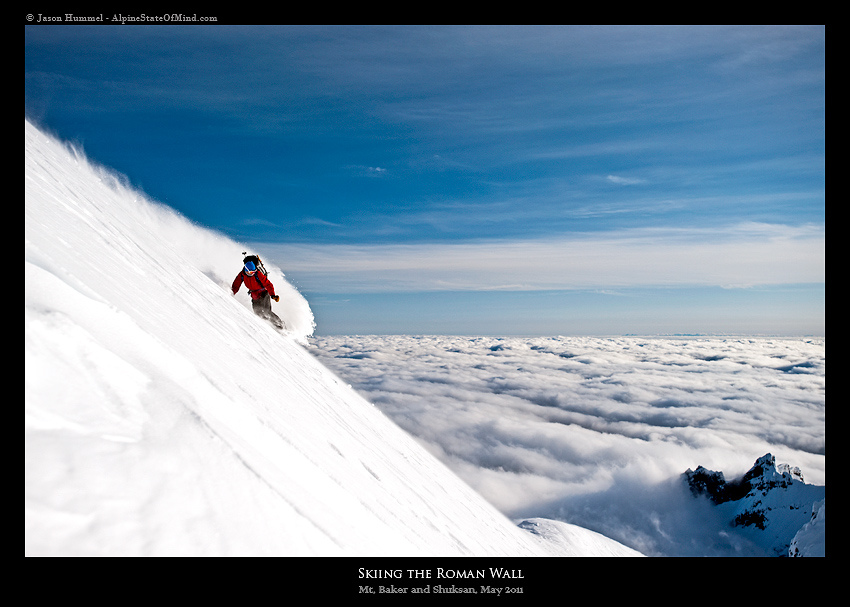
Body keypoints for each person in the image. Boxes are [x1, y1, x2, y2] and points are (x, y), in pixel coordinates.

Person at [232, 260, 285, 330]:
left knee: (267, 311)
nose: (252, 274)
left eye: (253, 272)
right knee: (258, 313)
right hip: (255, 295)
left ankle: (280, 326)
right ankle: (268, 327)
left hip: (264, 293)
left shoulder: (258, 274)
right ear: (246, 270)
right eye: (250, 272)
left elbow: (268, 284)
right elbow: (236, 284)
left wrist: (273, 295)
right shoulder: (242, 274)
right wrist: (232, 293)